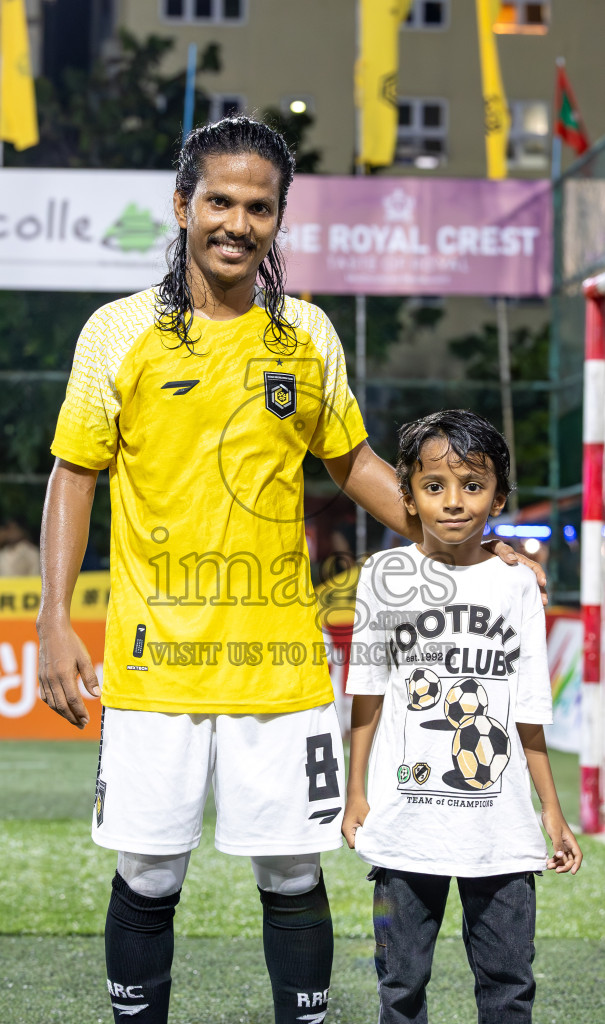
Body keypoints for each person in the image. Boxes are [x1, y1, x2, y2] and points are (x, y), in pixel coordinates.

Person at [36, 118, 545, 1024]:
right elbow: (75, 473)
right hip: (157, 661)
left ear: (278, 218)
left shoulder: (305, 334)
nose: (237, 222)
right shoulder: (117, 334)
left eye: (258, 207)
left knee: (292, 870)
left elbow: (352, 463)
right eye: (220, 201)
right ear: (183, 204)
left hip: (280, 662)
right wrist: (53, 618)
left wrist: (466, 540)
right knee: (148, 869)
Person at [342, 409, 582, 1024]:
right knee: (400, 987)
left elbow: (528, 710)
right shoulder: (384, 575)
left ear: (498, 496)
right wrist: (355, 792)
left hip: (500, 834)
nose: (454, 502)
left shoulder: (517, 586)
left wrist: (551, 812)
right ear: (408, 494)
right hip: (405, 826)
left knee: (508, 986)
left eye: (472, 486)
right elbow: (366, 691)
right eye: (434, 486)